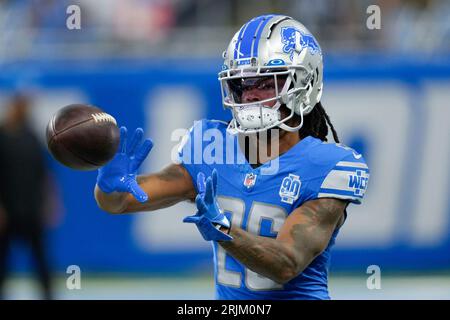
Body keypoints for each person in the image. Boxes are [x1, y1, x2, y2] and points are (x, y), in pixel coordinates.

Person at [94, 14, 370, 299]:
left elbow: (286, 263)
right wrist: (109, 187)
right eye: (243, 84)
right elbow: (120, 202)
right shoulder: (213, 149)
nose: (251, 96)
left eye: (266, 83)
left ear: (304, 83)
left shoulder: (325, 165)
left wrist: (223, 229)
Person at [0, 92, 57, 300]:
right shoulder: (2, 137)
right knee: (3, 260)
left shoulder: (32, 137)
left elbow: (45, 174)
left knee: (41, 259)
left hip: (32, 209)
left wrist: (51, 201)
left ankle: (48, 295)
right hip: (8, 210)